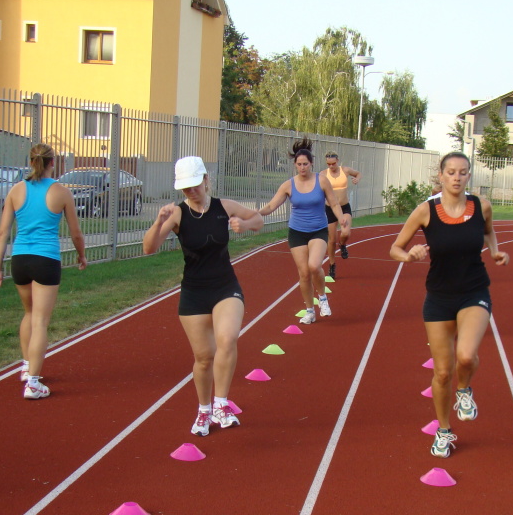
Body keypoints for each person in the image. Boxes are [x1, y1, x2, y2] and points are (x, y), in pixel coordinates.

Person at [389, 152, 509, 458]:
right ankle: (444, 430)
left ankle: (465, 390)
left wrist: (495, 252)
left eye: (463, 172)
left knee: (466, 357)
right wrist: (410, 256)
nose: (457, 177)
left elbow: (489, 230)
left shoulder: (481, 206)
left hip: (474, 291)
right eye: (451, 172)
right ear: (440, 176)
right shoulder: (425, 211)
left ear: (469, 176)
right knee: (442, 373)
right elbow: (395, 249)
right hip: (439, 298)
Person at [143, 156, 263, 436]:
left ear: (206, 180)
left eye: (195, 185)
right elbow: (149, 248)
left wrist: (245, 226)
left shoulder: (223, 207)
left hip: (225, 286)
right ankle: (204, 409)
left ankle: (221, 404)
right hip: (194, 292)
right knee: (204, 357)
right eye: (185, 188)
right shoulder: (177, 214)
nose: (191, 192)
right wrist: (158, 221)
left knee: (227, 338)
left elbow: (257, 218)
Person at [0, 143, 87, 400]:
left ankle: (26, 366)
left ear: (31, 161)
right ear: (52, 163)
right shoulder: (61, 192)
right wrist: (82, 254)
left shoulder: (16, 190)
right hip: (46, 259)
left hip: (20, 259)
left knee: (30, 313)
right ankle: (33, 382)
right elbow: (75, 232)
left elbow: (3, 232)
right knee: (41, 320)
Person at [258, 137, 349, 325]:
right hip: (297, 232)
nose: (302, 168)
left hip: (318, 230)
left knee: (314, 266)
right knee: (304, 274)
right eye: (299, 164)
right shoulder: (288, 185)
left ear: (311, 163)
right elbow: (271, 206)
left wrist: (341, 218)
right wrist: (254, 214)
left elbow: (333, 202)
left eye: (305, 164)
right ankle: (309, 310)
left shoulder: (321, 180)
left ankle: (322, 298)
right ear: (295, 165)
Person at [322, 151, 361, 279]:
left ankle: (343, 244)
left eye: (333, 163)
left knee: (345, 233)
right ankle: (332, 265)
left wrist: (357, 179)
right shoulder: (323, 174)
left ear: (337, 161)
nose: (331, 166)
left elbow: (358, 173)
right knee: (331, 240)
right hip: (330, 209)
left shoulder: (345, 170)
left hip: (344, 207)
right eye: (329, 164)